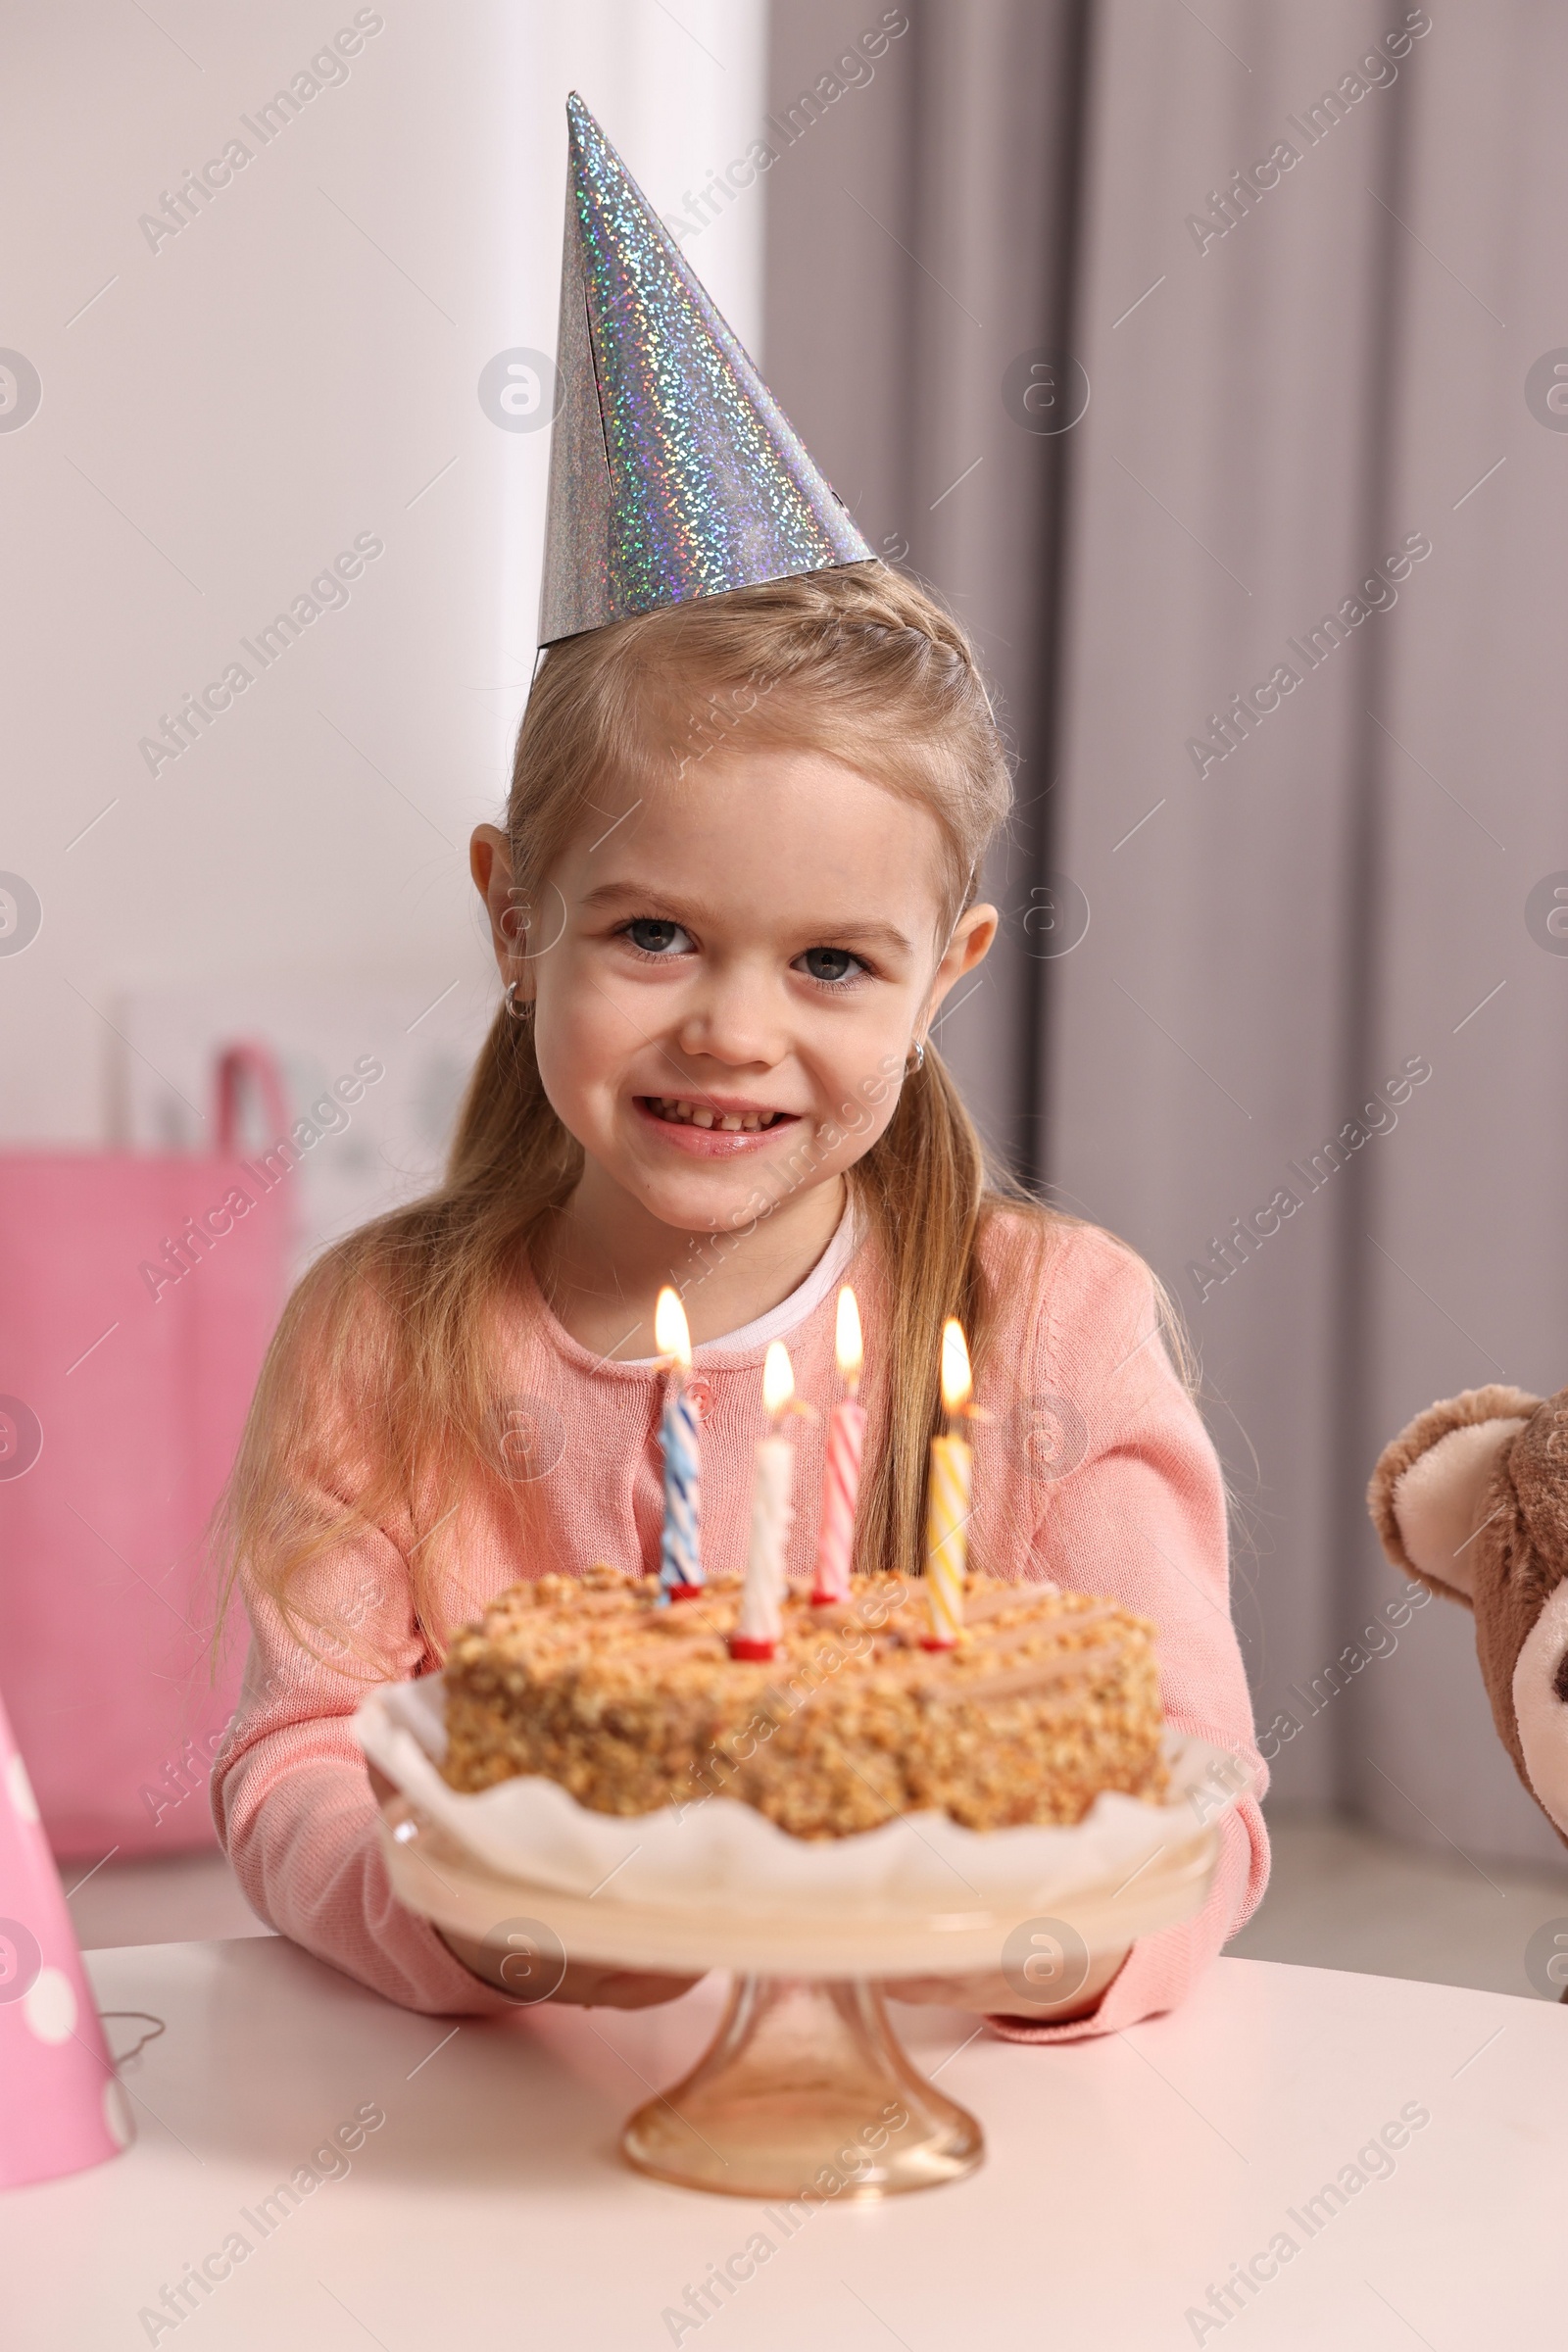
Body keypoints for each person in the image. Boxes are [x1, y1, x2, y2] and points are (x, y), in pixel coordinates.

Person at [211, 97, 1267, 2039]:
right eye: (649, 934)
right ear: (513, 916)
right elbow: (292, 1765)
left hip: (962, 2157)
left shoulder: (1051, 1333)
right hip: (510, 2153)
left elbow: (1192, 1795)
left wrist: (1035, 1936)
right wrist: (489, 1925)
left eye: (832, 962)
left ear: (939, 976)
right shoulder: (380, 1337)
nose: (731, 1029)